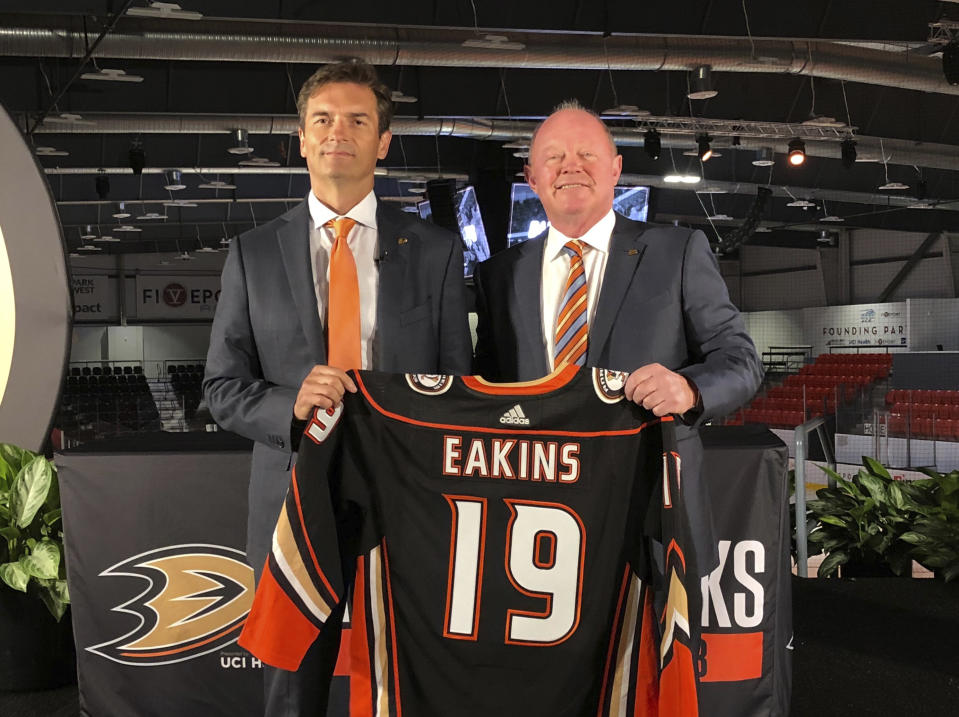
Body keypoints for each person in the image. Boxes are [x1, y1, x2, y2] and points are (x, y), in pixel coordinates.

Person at [203, 59, 472, 716]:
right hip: (293, 500)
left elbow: (461, 387)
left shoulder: (436, 252)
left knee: (407, 678)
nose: (337, 133)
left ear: (382, 141)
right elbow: (220, 386)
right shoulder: (252, 254)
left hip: (406, 496)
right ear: (301, 137)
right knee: (291, 685)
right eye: (322, 120)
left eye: (357, 120)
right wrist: (286, 404)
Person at [473, 99, 762, 422]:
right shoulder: (498, 274)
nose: (571, 166)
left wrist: (689, 389)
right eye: (553, 157)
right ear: (532, 178)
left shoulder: (678, 252)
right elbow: (486, 387)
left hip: (647, 468)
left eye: (587, 154)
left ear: (615, 169)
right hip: (537, 467)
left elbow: (741, 359)